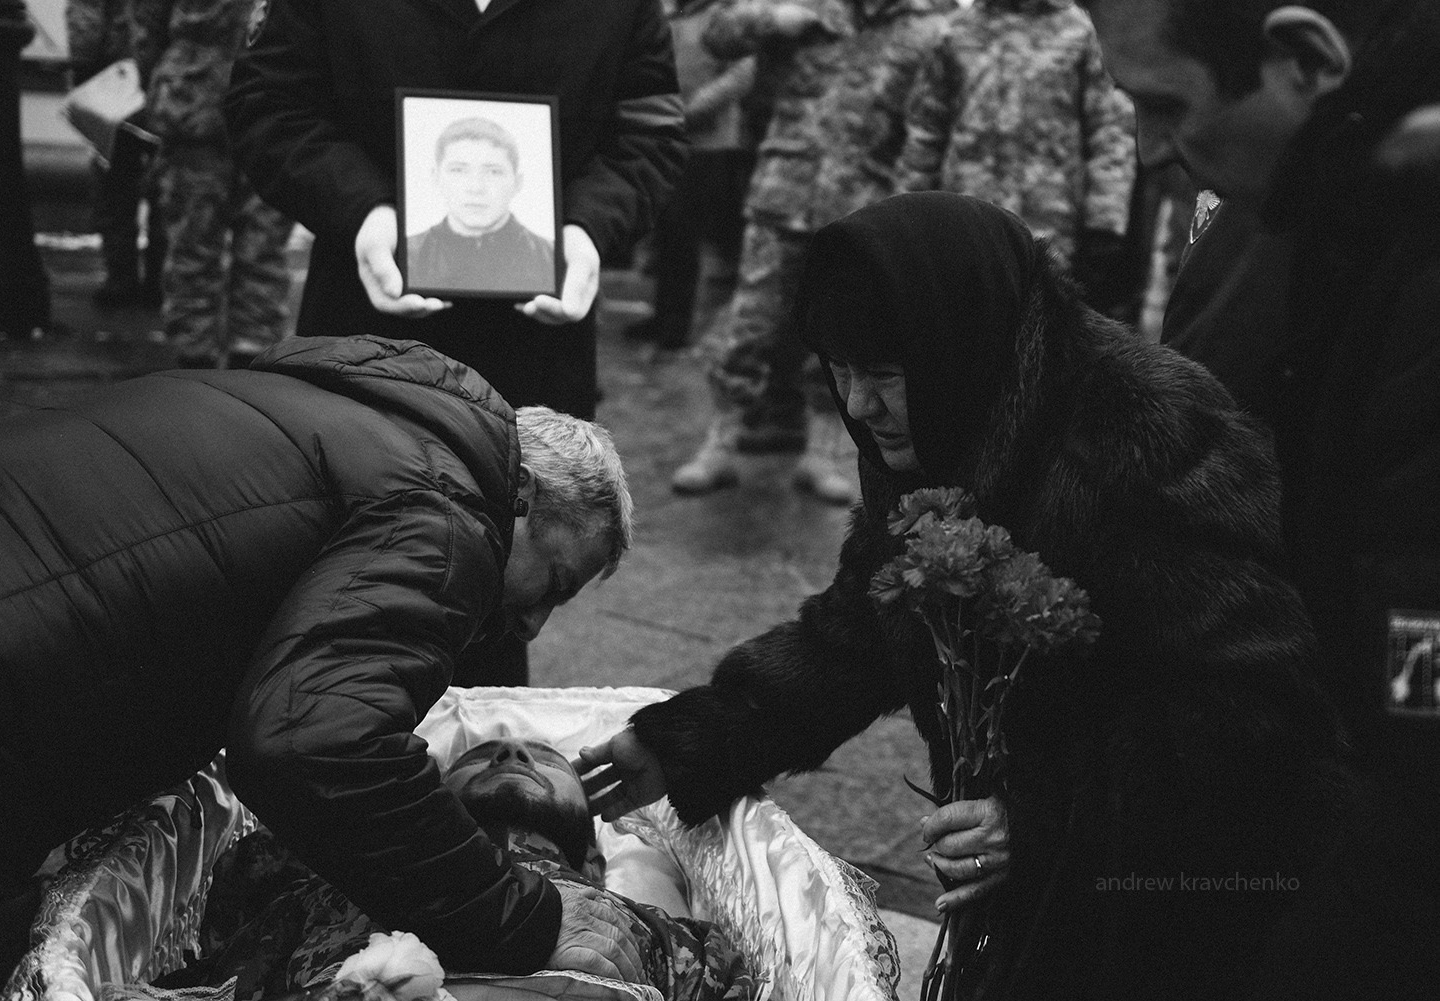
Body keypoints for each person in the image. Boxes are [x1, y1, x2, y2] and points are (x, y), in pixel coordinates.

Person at [578, 193, 1436, 999]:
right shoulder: (933, 423)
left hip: (1177, 894)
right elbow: (865, 627)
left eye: (881, 370)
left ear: (956, 341)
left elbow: (1267, 702)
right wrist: (698, 738)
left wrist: (1046, 817)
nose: (860, 403)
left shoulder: (1143, 435)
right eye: (836, 371)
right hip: (1032, 885)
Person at [0, 337, 640, 1001]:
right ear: (521, 500)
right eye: (552, 584)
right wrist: (518, 919)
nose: (533, 624)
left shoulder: (333, 406)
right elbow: (318, 741)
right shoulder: (448, 517)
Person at [1078, 0, 1440, 894]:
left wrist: (1400, 796)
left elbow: (1420, 606)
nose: (1147, 150)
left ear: (1307, 61)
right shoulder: (1327, 191)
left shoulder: (1408, 235)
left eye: (1166, 105)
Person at [223, 0, 685, 422]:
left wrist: (589, 226)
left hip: (540, 361)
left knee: (526, 508)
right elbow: (269, 104)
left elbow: (650, 131)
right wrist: (363, 209)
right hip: (359, 346)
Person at [158, 737, 755, 1000]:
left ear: (595, 862)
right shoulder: (333, 884)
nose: (512, 752)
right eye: (477, 758)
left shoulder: (662, 939)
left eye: (545, 758)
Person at [669, 0, 952, 503]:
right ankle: (721, 444)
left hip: (865, 206)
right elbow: (717, 35)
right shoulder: (807, 8)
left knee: (847, 333)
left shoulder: (927, 27)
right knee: (750, 325)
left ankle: (823, 453)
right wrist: (771, 18)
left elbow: (931, 123)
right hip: (784, 192)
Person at [894, 0, 1137, 317]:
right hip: (965, 233)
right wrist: (903, 221)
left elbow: (1108, 128)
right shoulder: (956, 32)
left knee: (1043, 349)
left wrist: (1104, 223)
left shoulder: (1078, 31)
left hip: (1052, 238)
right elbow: (926, 133)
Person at [133, 0, 295, 367]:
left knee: (200, 242)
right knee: (251, 242)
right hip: (263, 101)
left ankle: (206, 354)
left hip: (199, 96)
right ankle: (243, 352)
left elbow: (146, 30)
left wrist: (165, 78)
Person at [621, 0, 758, 351]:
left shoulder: (724, 15)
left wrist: (693, 109)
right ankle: (661, 316)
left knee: (684, 235)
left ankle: (676, 328)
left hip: (707, 146)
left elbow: (743, 73)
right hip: (664, 141)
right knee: (664, 233)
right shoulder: (669, 14)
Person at [65, 0, 167, 309]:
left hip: (114, 79)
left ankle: (121, 277)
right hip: (166, 77)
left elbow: (87, 24)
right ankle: (159, 277)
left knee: (114, 180)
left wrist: (82, 73)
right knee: (166, 180)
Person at [405, 117, 557, 297]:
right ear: (435, 178)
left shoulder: (553, 258)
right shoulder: (407, 257)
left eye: (493, 172)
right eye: (458, 170)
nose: (476, 188)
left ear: (517, 183)